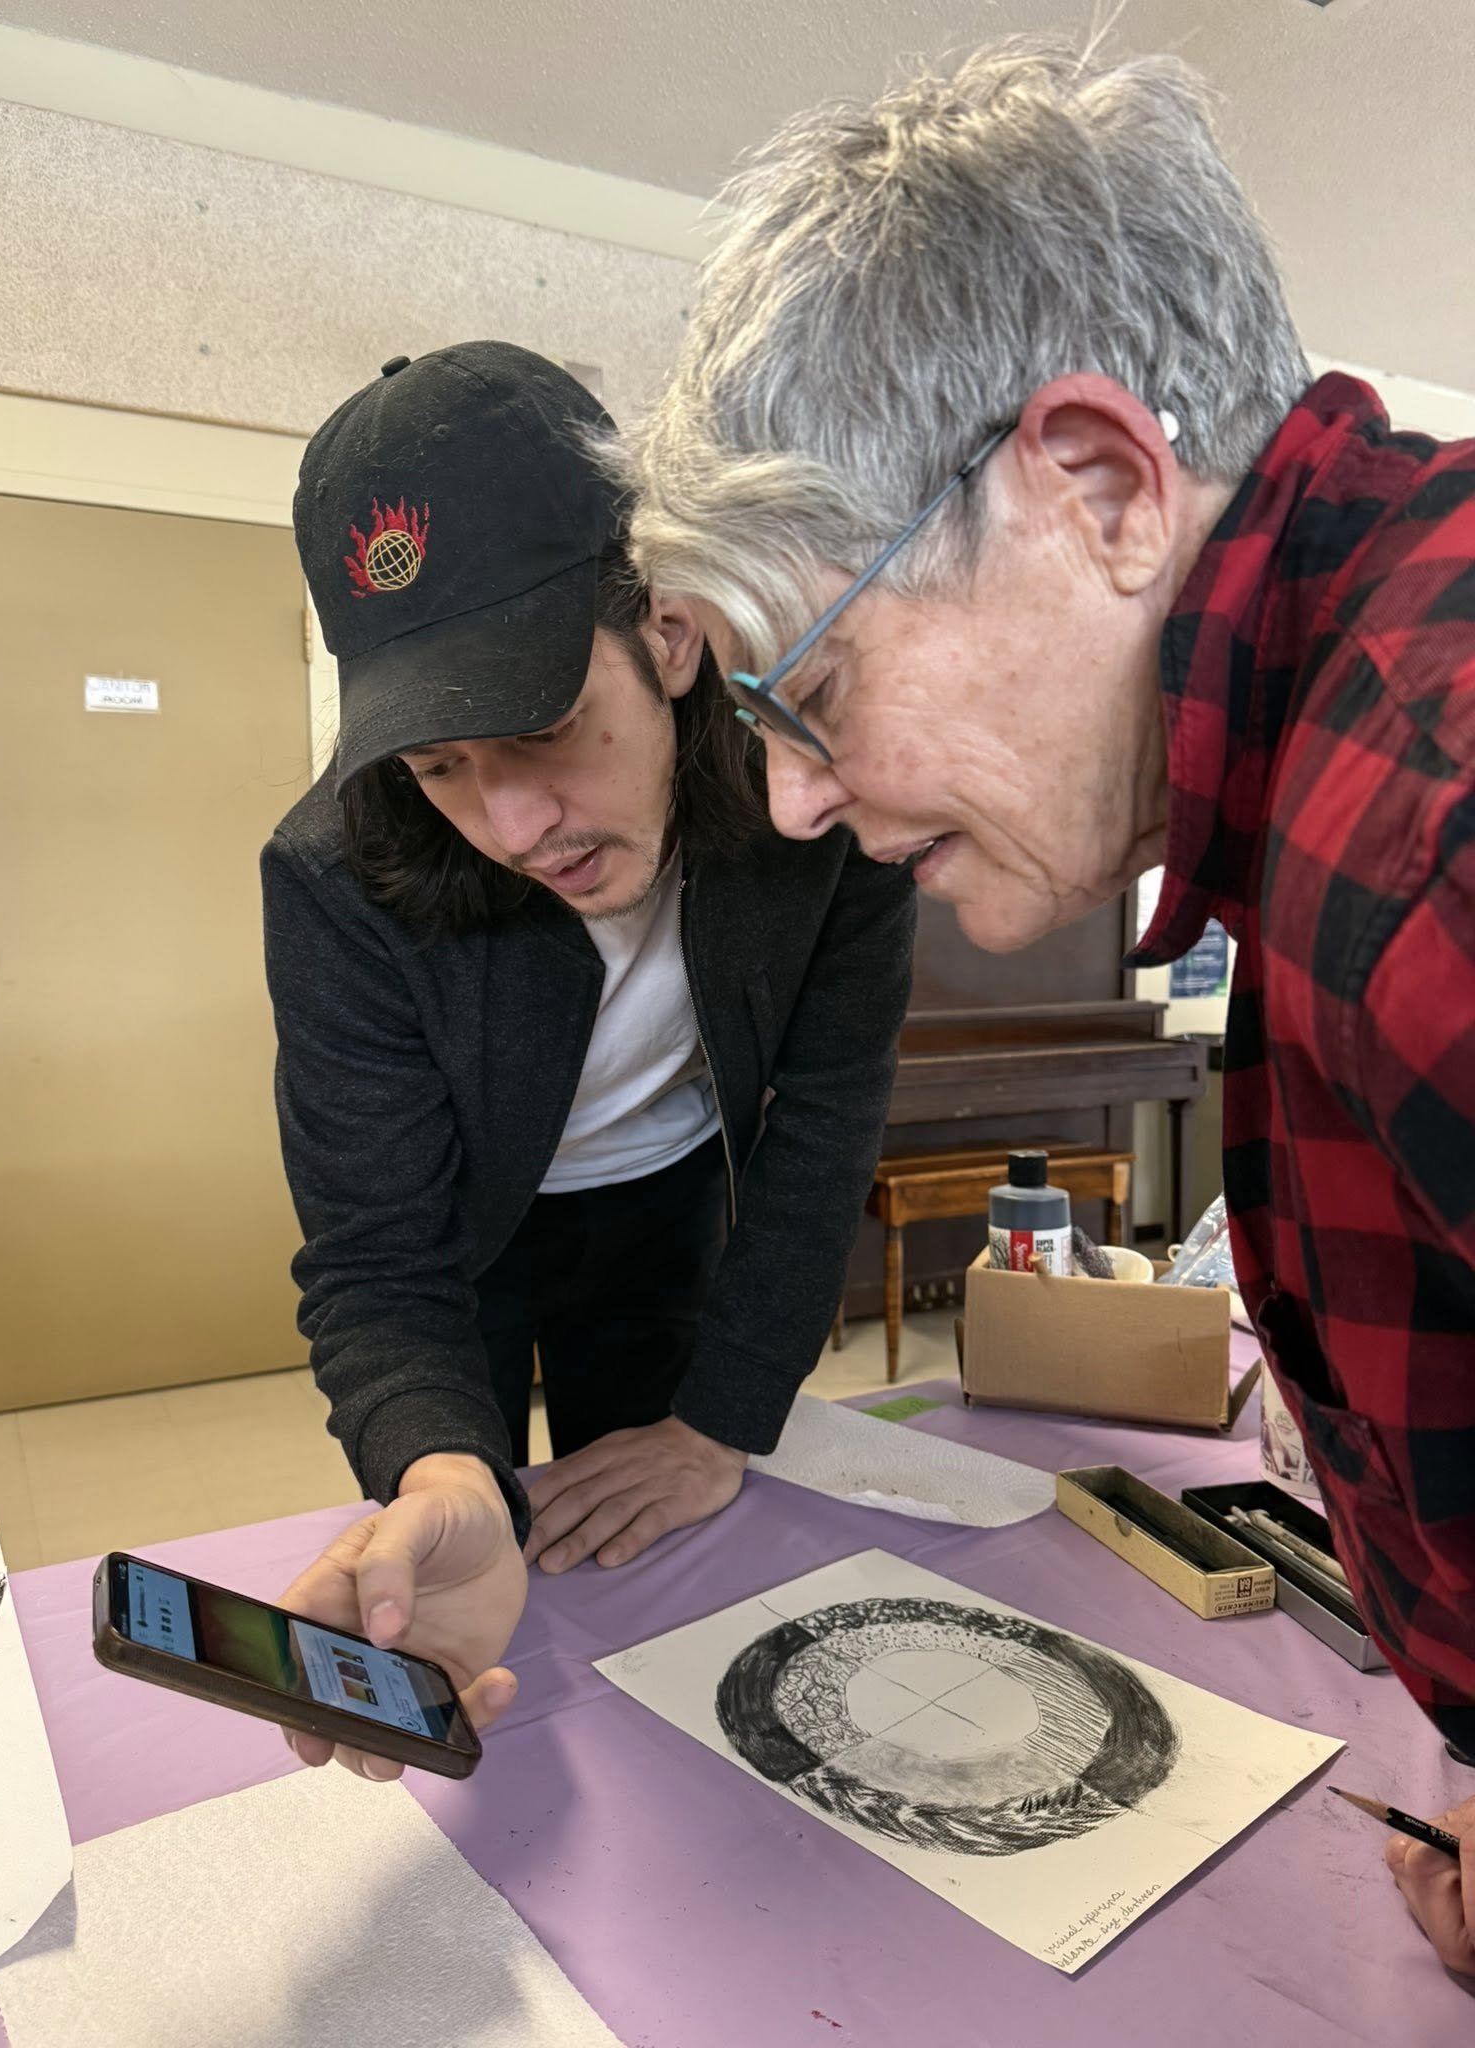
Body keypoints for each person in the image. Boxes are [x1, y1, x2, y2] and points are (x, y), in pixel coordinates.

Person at [616, 39, 1475, 1975]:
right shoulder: (1348, 726)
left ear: (1097, 488)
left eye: (808, 692)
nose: (796, 801)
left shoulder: (1428, 824)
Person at [262, 343, 913, 1775]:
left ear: (668, 637)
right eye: (441, 768)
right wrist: (442, 1470)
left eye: (547, 730)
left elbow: (823, 1122)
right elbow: (376, 1256)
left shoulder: (819, 786)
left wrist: (725, 1422)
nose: (509, 823)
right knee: (471, 1549)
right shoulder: (334, 875)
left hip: (671, 1194)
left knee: (675, 1562)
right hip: (463, 1229)